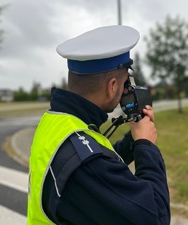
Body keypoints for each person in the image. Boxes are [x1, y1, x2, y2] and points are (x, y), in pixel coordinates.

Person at [27, 25, 170, 225]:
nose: (125, 90)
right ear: (112, 87)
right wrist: (146, 147)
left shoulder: (57, 121)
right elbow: (155, 217)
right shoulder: (86, 164)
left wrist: (133, 141)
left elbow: (97, 158)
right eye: (124, 84)